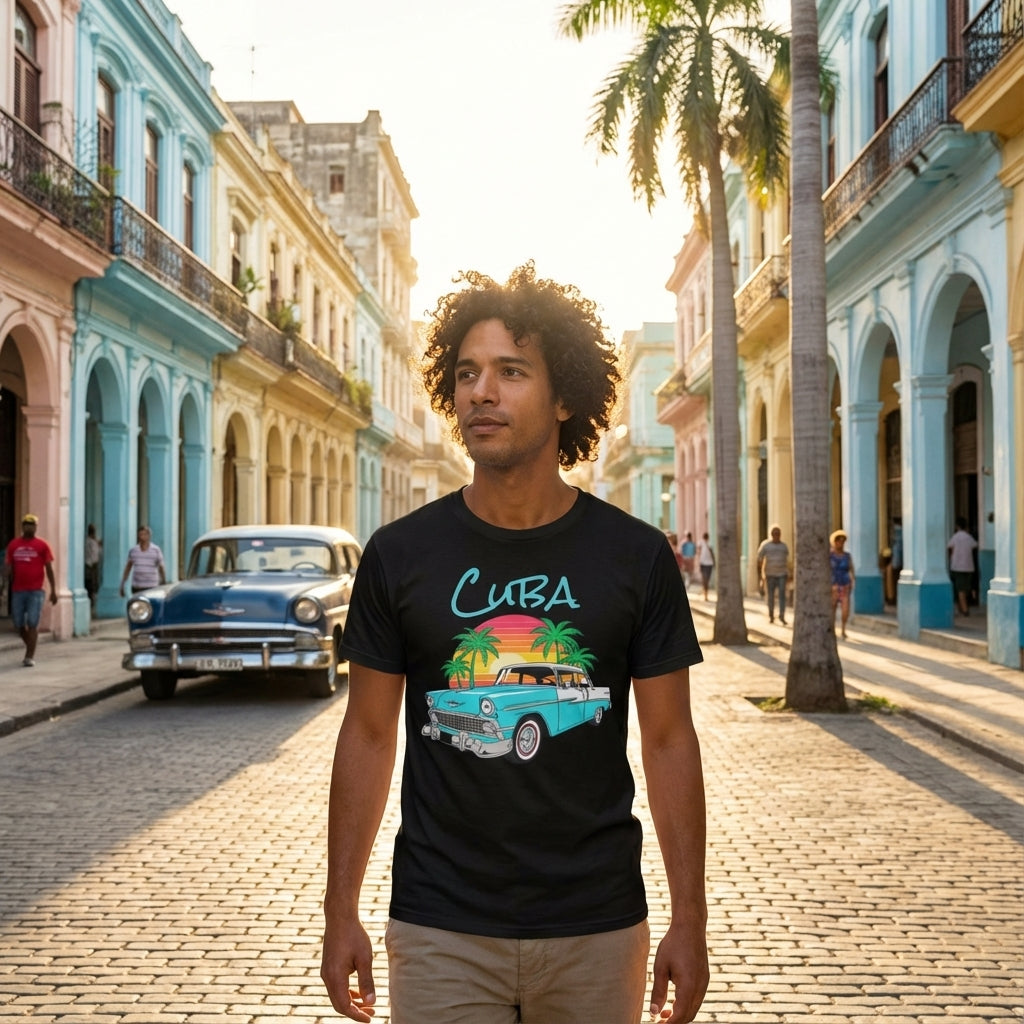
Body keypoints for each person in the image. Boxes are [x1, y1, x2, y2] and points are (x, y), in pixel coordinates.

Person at [319, 264, 708, 1024]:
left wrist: (689, 920)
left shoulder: (634, 556)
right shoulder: (401, 555)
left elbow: (668, 740)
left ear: (564, 396)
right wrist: (340, 911)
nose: (480, 392)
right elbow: (367, 733)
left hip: (596, 922)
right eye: (466, 373)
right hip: (439, 923)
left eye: (509, 372)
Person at [3, 513, 58, 667]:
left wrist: (53, 590)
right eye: (26, 524)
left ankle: (29, 656)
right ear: (22, 526)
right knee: (19, 624)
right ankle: (30, 645)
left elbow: (49, 569)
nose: (29, 527)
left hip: (36, 591)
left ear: (35, 527)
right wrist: (5, 576)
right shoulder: (14, 545)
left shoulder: (42, 545)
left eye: (32, 524)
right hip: (18, 590)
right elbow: (7, 565)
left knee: (32, 622)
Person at [756, 524, 790, 625]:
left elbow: (787, 560)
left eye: (778, 533)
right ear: (771, 534)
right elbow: (759, 559)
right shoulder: (765, 545)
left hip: (782, 574)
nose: (776, 535)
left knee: (782, 596)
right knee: (770, 596)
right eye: (774, 533)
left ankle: (782, 615)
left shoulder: (784, 546)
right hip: (770, 574)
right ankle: (771, 615)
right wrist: (761, 575)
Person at [118, 525, 166, 596]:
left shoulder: (156, 550)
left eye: (145, 534)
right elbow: (128, 568)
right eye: (141, 534)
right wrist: (122, 584)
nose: (142, 537)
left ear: (149, 536)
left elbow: (161, 567)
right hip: (137, 586)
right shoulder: (134, 551)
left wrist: (163, 582)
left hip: (152, 585)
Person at [947, 517, 978, 617]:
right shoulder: (969, 537)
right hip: (968, 567)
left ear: (957, 526)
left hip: (957, 567)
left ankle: (964, 609)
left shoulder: (955, 537)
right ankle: (963, 608)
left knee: (960, 589)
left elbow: (949, 546)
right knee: (965, 588)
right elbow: (975, 545)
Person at [829, 529, 855, 639]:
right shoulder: (830, 555)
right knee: (832, 608)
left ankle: (843, 629)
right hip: (833, 584)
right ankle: (832, 629)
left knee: (845, 609)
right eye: (838, 541)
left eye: (843, 541)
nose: (840, 543)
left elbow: (851, 569)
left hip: (845, 584)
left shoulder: (847, 556)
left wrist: (852, 580)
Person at [84, 523, 102, 609]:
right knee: (90, 583)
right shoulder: (89, 541)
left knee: (94, 583)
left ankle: (93, 600)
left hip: (93, 564)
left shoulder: (93, 541)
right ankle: (91, 600)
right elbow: (92, 553)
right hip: (90, 564)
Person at [697, 531, 715, 601]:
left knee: (706, 580)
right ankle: (705, 595)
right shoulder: (702, 543)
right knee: (705, 580)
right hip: (706, 564)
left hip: (707, 564)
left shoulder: (708, 545)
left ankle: (705, 593)